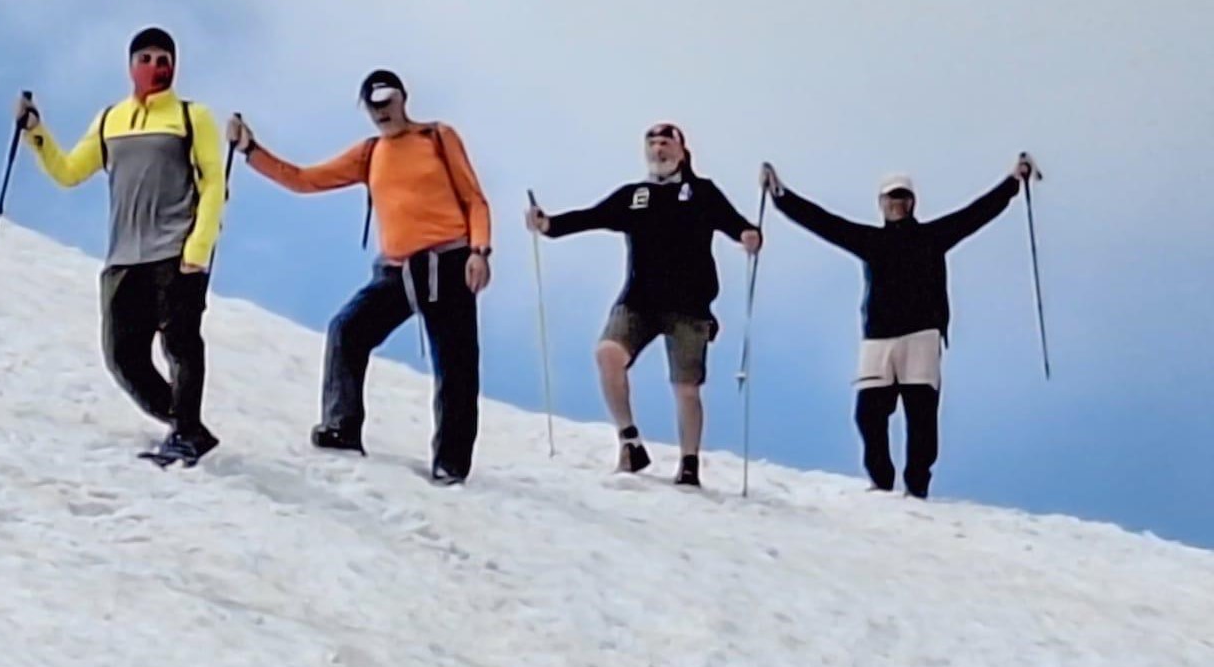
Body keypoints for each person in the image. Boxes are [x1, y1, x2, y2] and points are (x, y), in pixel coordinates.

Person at [225, 69, 492, 484]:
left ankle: (451, 463)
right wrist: (249, 149)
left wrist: (480, 251)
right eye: (372, 104)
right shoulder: (369, 154)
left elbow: (474, 197)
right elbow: (304, 180)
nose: (381, 110)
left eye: (386, 99)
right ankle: (342, 428)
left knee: (456, 366)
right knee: (347, 330)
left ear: (403, 98)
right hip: (396, 269)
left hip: (449, 262)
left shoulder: (437, 137)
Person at [759, 155, 1035, 498]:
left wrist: (1012, 181)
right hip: (878, 339)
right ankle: (881, 480)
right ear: (881, 203)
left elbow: (976, 213)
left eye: (902, 196)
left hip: (922, 335)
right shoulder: (871, 241)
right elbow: (824, 223)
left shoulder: (933, 236)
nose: (897, 203)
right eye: (891, 197)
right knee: (868, 414)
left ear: (912, 202)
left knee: (921, 417)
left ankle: (916, 486)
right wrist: (780, 195)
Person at [15, 26, 227, 467]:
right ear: (131, 66)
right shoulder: (111, 119)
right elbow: (70, 171)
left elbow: (213, 185)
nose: (157, 66)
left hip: (175, 251)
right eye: (147, 58)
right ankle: (185, 423)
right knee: (122, 356)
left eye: (164, 58)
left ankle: (186, 433)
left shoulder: (192, 116)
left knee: (181, 344)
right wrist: (36, 133)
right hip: (124, 257)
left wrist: (198, 248)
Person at [525, 123, 762, 485]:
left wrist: (747, 234)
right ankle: (630, 442)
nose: (658, 150)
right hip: (638, 300)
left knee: (686, 387)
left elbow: (735, 224)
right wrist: (549, 225)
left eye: (666, 143)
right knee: (608, 354)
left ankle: (688, 464)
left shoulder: (701, 191)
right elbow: (592, 216)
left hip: (689, 304)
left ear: (683, 151)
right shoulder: (634, 195)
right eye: (652, 144)